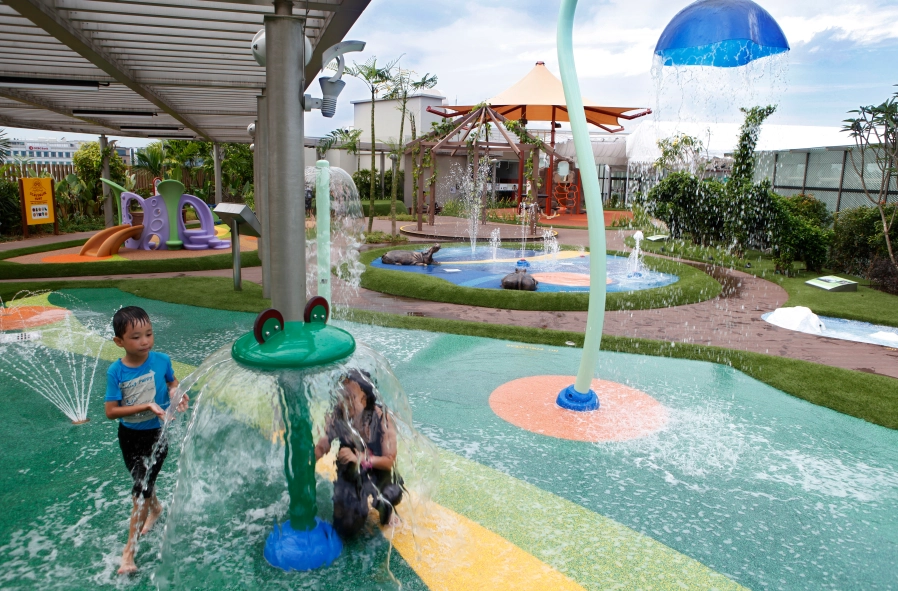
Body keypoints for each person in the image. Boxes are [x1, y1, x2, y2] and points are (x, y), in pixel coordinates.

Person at [104, 306, 188, 575]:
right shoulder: (116, 372)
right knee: (142, 483)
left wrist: (178, 394)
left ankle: (128, 554)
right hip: (128, 436)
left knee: (140, 488)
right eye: (136, 337)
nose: (145, 341)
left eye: (149, 334)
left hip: (157, 435)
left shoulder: (161, 360)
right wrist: (146, 405)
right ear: (119, 342)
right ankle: (156, 509)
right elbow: (111, 411)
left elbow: (173, 382)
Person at [314, 369, 403, 538]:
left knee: (390, 493)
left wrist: (360, 458)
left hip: (378, 472)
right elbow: (323, 445)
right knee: (346, 527)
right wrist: (308, 462)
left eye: (350, 398)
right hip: (350, 471)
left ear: (365, 399)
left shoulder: (381, 418)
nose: (344, 403)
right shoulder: (338, 415)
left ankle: (387, 507)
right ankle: (354, 504)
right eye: (342, 397)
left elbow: (389, 460)